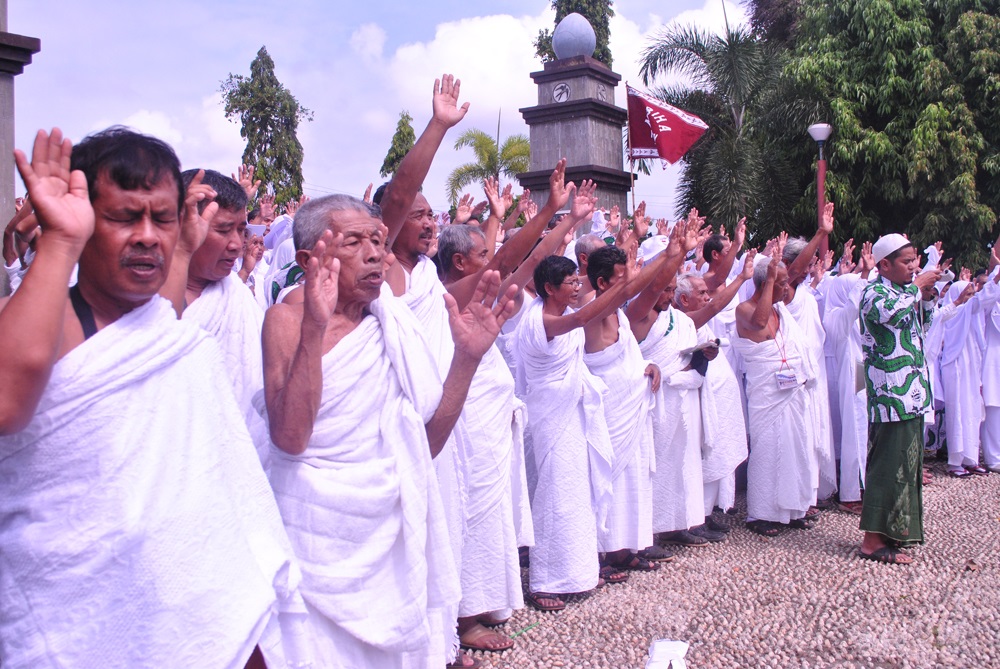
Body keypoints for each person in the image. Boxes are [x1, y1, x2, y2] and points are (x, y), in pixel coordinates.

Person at [0, 127, 303, 668]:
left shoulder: (166, 332)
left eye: (161, 219)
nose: (147, 236)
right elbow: (6, 405)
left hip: (203, 611)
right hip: (83, 618)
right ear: (85, 216)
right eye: (123, 217)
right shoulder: (57, 323)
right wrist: (59, 240)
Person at [260, 193, 516, 667]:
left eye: (378, 240)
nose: (375, 252)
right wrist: (316, 326)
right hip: (314, 537)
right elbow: (291, 438)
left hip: (389, 539)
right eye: (354, 242)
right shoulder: (285, 322)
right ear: (307, 259)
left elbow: (427, 444)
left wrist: (466, 360)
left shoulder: (392, 324)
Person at [857, 233, 941, 564]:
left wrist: (928, 296)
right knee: (887, 466)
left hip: (913, 394)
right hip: (890, 396)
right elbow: (891, 314)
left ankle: (896, 532)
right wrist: (918, 287)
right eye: (906, 262)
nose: (913, 266)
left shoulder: (904, 292)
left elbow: (920, 324)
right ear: (884, 265)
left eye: (914, 260)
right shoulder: (873, 294)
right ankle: (872, 541)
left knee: (907, 467)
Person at [178, 169, 271, 468]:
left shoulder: (238, 298)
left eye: (242, 231)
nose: (236, 244)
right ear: (184, 224)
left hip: (240, 464)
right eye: (222, 230)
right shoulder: (141, 296)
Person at [733, 248, 819, 536]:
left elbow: (796, 272)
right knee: (769, 450)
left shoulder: (781, 310)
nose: (786, 287)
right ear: (764, 282)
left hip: (792, 391)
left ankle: (793, 508)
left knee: (795, 448)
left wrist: (821, 233)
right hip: (767, 394)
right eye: (780, 283)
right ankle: (761, 514)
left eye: (784, 282)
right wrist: (770, 280)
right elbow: (758, 324)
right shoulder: (745, 309)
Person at [672, 259, 754, 535]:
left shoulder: (694, 321)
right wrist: (742, 278)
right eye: (702, 294)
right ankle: (692, 520)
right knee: (696, 461)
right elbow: (716, 305)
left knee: (712, 458)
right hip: (691, 404)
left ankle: (704, 514)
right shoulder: (684, 321)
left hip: (715, 401)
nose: (708, 298)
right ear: (683, 299)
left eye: (707, 293)